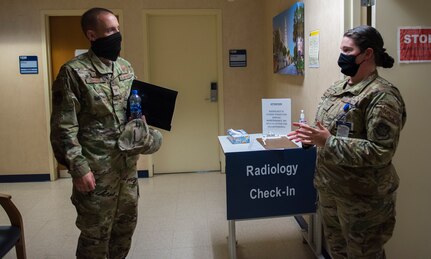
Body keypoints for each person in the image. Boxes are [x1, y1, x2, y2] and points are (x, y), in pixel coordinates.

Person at [50, 7, 162, 259]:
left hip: (126, 171)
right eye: (110, 30)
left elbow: (130, 112)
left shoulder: (125, 68)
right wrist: (79, 169)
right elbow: (63, 127)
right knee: (95, 236)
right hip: (96, 172)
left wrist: (143, 127)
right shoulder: (73, 72)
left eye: (118, 30)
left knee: (124, 231)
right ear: (92, 35)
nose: (117, 36)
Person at [288, 25, 406, 258]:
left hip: (363, 202)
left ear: (368, 54)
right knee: (338, 252)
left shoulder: (381, 95)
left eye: (347, 50)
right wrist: (311, 137)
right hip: (331, 192)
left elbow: (381, 150)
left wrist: (328, 142)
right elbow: (327, 131)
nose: (341, 56)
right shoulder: (337, 89)